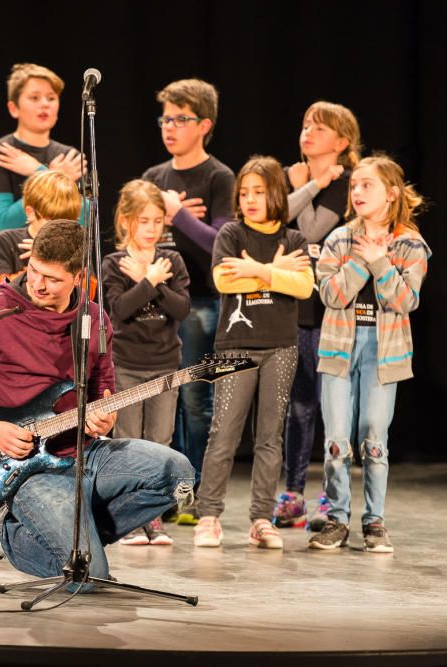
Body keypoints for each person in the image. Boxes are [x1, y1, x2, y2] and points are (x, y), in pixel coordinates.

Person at [0, 220, 195, 586]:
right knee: (87, 579)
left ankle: (63, 538)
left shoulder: (94, 319)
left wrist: (105, 416)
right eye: (34, 271)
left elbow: (104, 388)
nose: (38, 284)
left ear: (78, 277)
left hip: (85, 452)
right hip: (28, 467)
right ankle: (0, 534)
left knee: (178, 474)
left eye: (52, 279)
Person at [307, 156, 429, 554]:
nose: (357, 192)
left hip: (384, 351)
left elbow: (405, 300)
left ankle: (374, 520)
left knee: (375, 439)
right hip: (338, 347)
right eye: (354, 186)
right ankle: (337, 519)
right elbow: (331, 294)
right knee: (337, 440)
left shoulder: (410, 244)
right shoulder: (340, 239)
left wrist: (381, 260)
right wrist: (362, 258)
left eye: (367, 186)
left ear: (391, 193)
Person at [193, 156, 313, 550]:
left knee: (269, 437)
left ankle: (261, 518)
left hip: (281, 346)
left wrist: (258, 271)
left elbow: (304, 288)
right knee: (223, 431)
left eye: (258, 192)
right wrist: (276, 271)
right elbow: (224, 281)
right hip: (233, 346)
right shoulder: (230, 234)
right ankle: (208, 514)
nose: (250, 200)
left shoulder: (293, 240)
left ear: (276, 194)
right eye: (244, 193)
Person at [141, 79, 235, 520]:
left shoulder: (218, 177)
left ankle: (190, 491)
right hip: (153, 302)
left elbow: (223, 244)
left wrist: (178, 215)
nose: (169, 127)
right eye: (165, 119)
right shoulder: (154, 178)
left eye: (180, 119)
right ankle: (156, 492)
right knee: (158, 399)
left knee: (196, 400)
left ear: (205, 125)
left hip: (199, 301)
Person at [275, 101, 362, 530]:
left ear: (342, 142)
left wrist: (307, 186)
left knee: (330, 408)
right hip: (294, 306)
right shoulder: (294, 177)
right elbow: (275, 219)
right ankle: (292, 495)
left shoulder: (346, 183)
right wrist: (302, 184)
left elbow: (307, 231)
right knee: (298, 407)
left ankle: (332, 497)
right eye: (305, 124)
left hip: (332, 309)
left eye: (320, 128)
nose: (307, 132)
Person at [102, 180, 190, 546]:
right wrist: (146, 280)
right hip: (126, 365)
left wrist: (150, 281)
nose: (152, 229)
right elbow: (118, 310)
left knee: (160, 442)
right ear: (126, 222)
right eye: (144, 221)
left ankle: (153, 517)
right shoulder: (113, 263)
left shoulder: (172, 261)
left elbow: (181, 308)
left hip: (164, 366)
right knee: (128, 442)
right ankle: (128, 519)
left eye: (158, 221)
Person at [0, 63, 82, 301]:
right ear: (14, 108)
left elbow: (81, 218)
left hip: (58, 267)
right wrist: (54, 176)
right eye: (34, 97)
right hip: (5, 262)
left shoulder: (70, 157)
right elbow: (4, 222)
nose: (44, 104)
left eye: (51, 98)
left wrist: (38, 170)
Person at [0, 169, 81, 292]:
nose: (60, 228)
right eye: (52, 221)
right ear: (30, 212)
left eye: (67, 221)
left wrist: (53, 255)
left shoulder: (77, 240)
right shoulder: (7, 240)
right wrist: (41, 259)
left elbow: (88, 291)